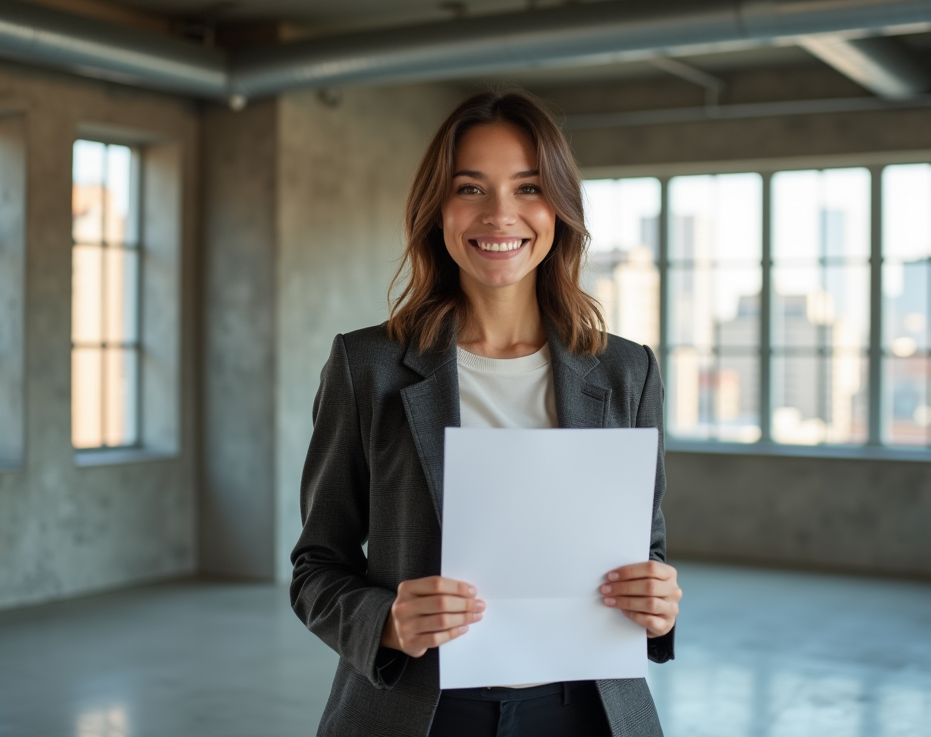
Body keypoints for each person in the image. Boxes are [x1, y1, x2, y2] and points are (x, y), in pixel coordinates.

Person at [290, 89, 682, 737]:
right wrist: (385, 621)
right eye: (471, 189)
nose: (500, 215)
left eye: (528, 188)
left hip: (586, 714)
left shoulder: (626, 372)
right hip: (420, 711)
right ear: (437, 211)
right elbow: (315, 568)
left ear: (559, 209)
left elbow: (647, 552)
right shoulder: (368, 368)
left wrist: (659, 602)